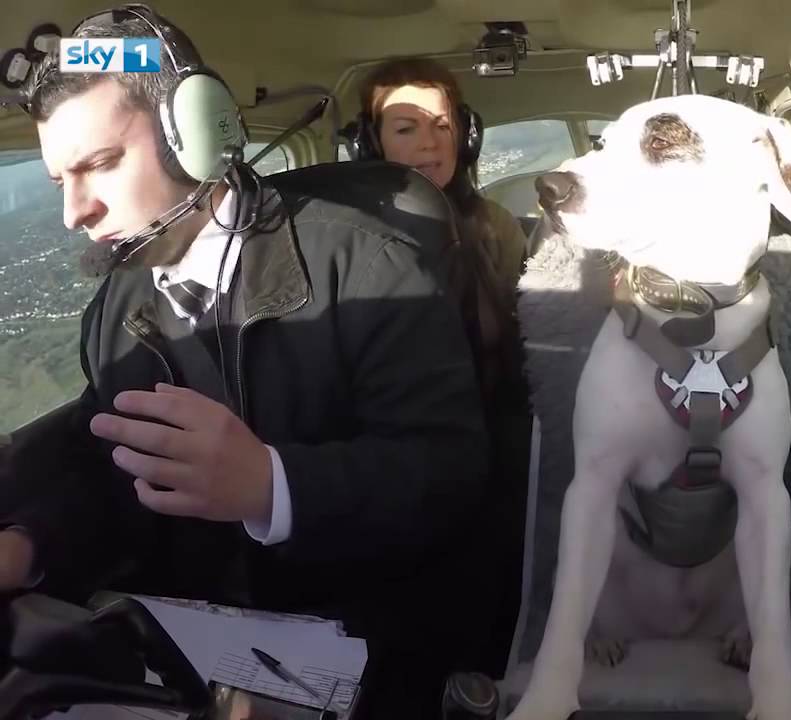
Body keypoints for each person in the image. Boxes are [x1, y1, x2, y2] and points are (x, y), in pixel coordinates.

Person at [0, 8, 488, 719]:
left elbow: (451, 473)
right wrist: (28, 546)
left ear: (197, 135)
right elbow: (103, 474)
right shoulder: (112, 314)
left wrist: (272, 485)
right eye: (59, 182)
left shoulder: (369, 265)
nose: (75, 211)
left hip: (370, 644)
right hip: (193, 652)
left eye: (100, 164)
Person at [357, 57, 529, 408]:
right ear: (372, 144)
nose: (429, 143)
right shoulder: (349, 239)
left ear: (464, 138)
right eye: (406, 129)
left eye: (441, 125)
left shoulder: (496, 226)